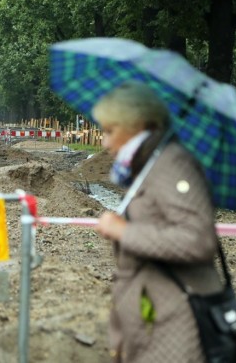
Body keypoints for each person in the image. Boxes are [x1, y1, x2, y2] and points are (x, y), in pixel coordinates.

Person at [92, 81, 223, 363]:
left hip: (175, 325)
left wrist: (125, 231)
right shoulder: (149, 165)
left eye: (110, 131)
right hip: (157, 318)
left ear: (137, 126)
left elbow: (198, 239)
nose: (104, 143)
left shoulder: (172, 164)